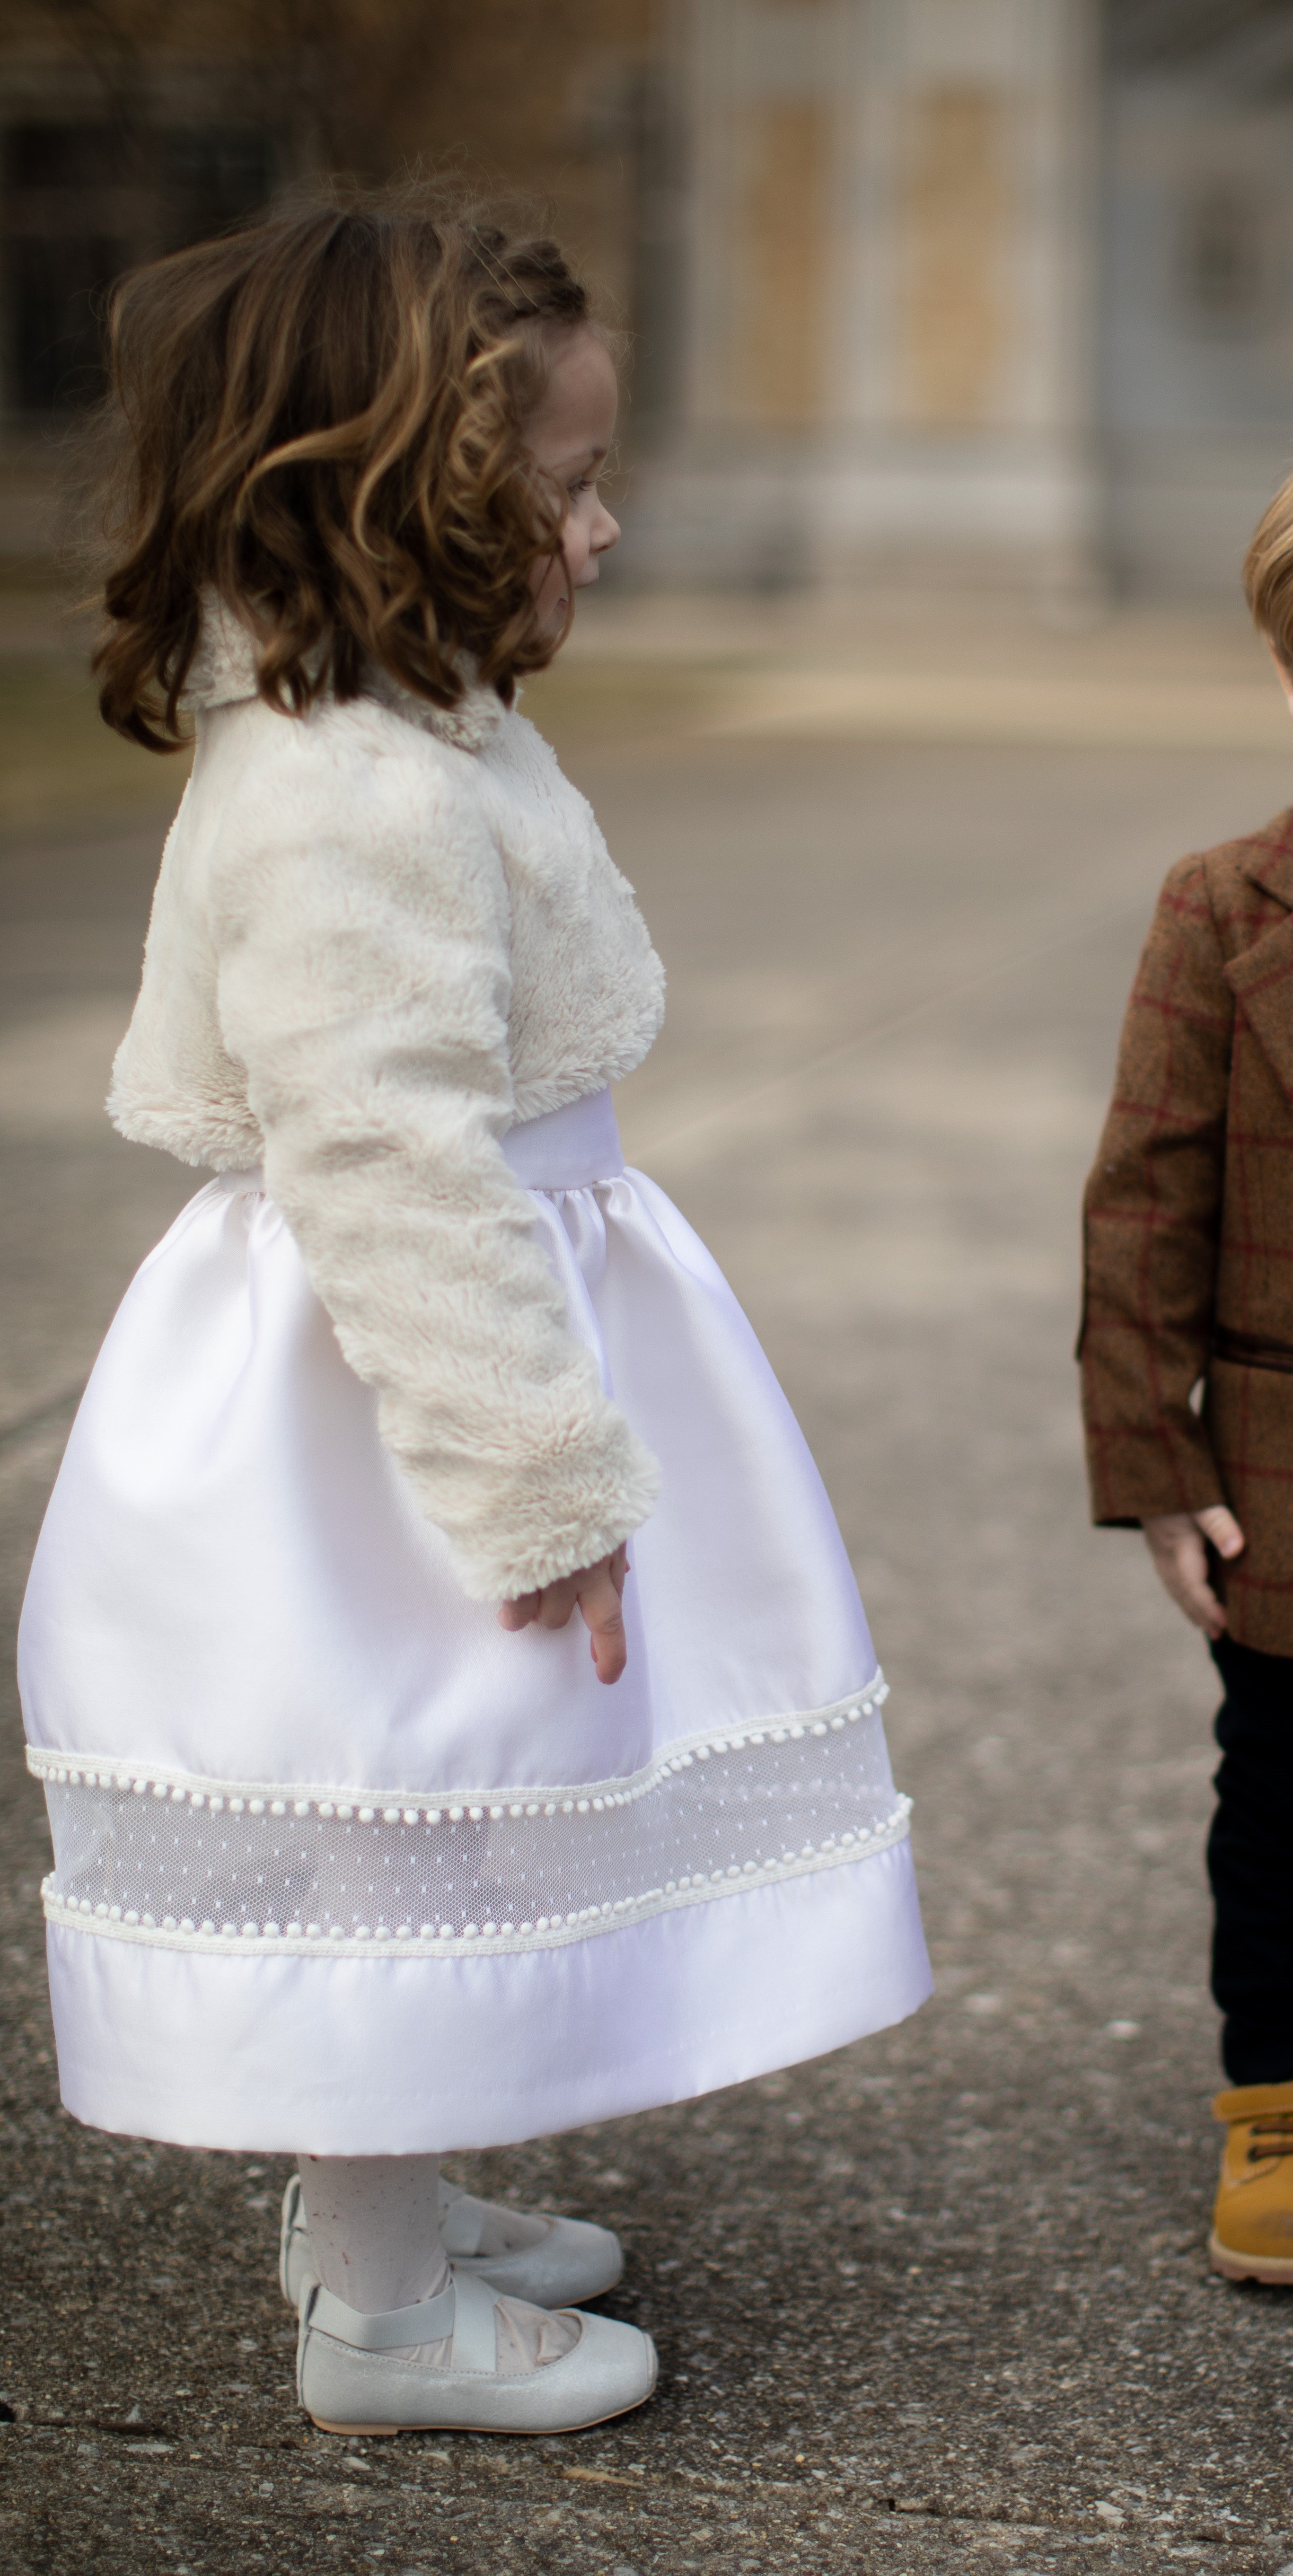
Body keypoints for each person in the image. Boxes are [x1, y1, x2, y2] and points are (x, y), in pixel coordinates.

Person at [17, 186, 931, 2436]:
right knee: (391, 1787)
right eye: (567, 486)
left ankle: (389, 2204)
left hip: (457, 1320)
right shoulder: (342, 798)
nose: (605, 528)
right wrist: (534, 1478)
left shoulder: (408, 731)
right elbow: (381, 1157)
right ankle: (382, 2313)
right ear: (400, 506)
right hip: (389, 1387)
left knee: (464, 1789)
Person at [1076, 405, 1293, 2289]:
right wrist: (1156, 1467)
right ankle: (1290, 2101)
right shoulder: (1225, 909)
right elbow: (1145, 1205)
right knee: (1290, 1820)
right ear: (1286, 679)